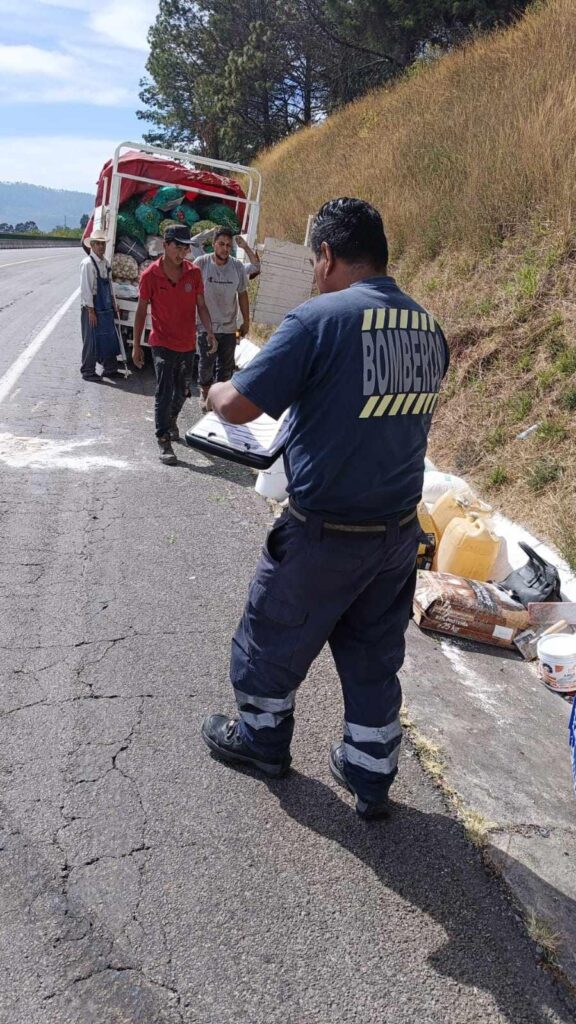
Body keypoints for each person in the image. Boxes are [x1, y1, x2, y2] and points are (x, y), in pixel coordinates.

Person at [200, 197, 449, 820]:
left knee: (269, 638)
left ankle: (261, 741)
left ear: (330, 255)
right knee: (373, 657)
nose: (313, 271)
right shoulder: (428, 328)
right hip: (395, 536)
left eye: (315, 259)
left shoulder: (318, 320)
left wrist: (213, 387)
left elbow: (236, 408)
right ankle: (370, 777)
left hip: (324, 534)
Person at [132, 224, 216, 466]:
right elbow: (140, 312)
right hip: (162, 343)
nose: (182, 253)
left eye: (185, 248)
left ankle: (171, 420)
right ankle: (163, 439)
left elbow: (201, 305)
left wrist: (209, 332)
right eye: (177, 247)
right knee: (164, 390)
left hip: (187, 344)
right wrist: (136, 346)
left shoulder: (193, 273)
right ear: (165, 245)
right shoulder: (150, 275)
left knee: (182, 392)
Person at [194, 226, 250, 411]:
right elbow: (191, 293)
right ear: (213, 244)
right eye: (221, 244)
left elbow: (242, 294)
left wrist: (246, 321)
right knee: (206, 364)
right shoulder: (201, 263)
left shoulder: (237, 267)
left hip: (228, 327)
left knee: (226, 367)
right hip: (206, 326)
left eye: (228, 245)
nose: (225, 248)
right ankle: (205, 393)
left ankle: (219, 399)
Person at [80, 229, 123, 381]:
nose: (100, 246)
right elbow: (86, 289)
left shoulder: (105, 263)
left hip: (105, 307)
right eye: (97, 244)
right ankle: (88, 371)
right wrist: (91, 310)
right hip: (91, 308)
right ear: (91, 245)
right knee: (91, 340)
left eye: (102, 244)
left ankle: (110, 369)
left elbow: (110, 285)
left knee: (109, 338)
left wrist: (113, 302)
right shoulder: (88, 264)